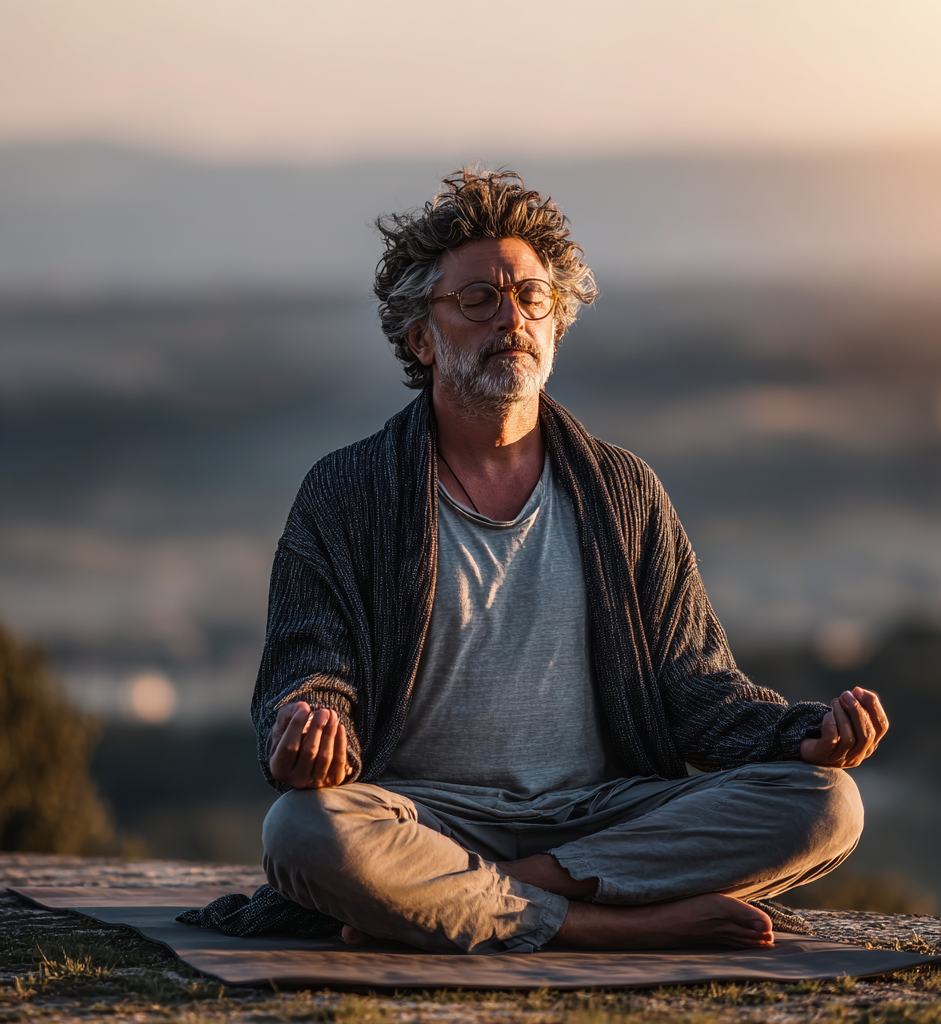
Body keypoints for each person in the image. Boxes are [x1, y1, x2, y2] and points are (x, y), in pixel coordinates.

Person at [252, 169, 887, 955]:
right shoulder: (347, 492)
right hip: (422, 819)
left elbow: (697, 689)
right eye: (477, 300)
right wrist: (309, 725)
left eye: (531, 297)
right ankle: (615, 922)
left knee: (828, 805)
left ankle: (493, 899)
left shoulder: (623, 491)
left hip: (603, 816)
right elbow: (311, 673)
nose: (511, 318)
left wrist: (803, 734)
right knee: (303, 830)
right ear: (421, 337)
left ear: (557, 325)